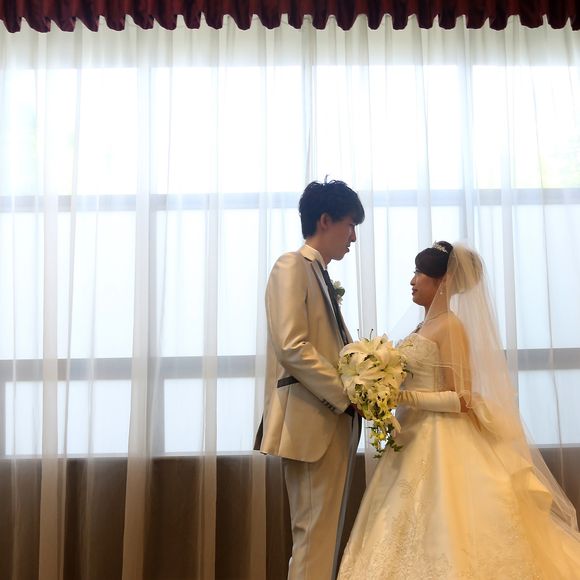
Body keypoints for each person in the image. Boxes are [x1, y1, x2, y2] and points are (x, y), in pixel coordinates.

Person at [338, 241, 580, 579]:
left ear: (444, 281)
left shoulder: (451, 326)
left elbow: (462, 399)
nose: (412, 280)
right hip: (413, 434)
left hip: (442, 436)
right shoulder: (422, 326)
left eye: (420, 272)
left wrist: (403, 398)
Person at [254, 179, 365, 580]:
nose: (353, 237)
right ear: (325, 220)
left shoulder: (319, 273)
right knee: (314, 537)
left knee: (323, 538)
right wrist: (346, 394)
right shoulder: (291, 266)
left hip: (329, 423)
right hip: (311, 421)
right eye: (350, 225)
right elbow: (292, 346)